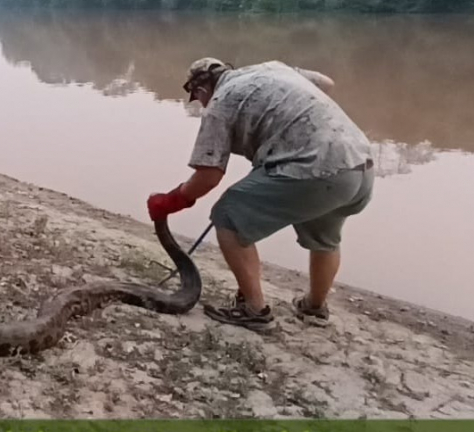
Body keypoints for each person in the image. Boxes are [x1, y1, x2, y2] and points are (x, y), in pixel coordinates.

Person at [147, 58, 374, 331]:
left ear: (202, 88)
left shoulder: (220, 103)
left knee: (229, 215)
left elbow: (208, 177)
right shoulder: (271, 69)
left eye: (197, 98)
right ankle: (313, 308)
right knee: (324, 238)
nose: (201, 104)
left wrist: (171, 201)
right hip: (358, 165)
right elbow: (326, 83)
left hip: (315, 169)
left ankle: (253, 310)